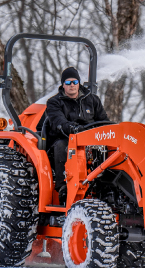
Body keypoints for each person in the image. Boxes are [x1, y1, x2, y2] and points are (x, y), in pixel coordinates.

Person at [44, 66, 110, 204]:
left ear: (79, 83)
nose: (72, 85)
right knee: (63, 146)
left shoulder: (92, 100)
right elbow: (59, 122)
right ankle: (63, 187)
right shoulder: (54, 102)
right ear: (63, 85)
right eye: (68, 82)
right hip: (64, 137)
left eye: (74, 82)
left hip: (90, 138)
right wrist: (73, 128)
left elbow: (104, 121)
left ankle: (107, 183)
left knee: (110, 148)